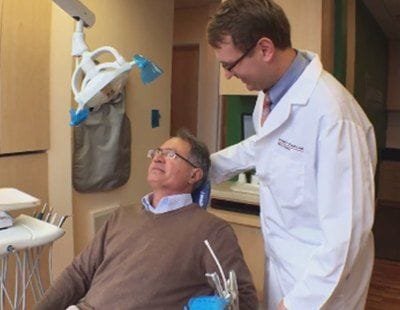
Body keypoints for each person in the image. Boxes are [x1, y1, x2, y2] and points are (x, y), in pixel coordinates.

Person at [207, 1, 377, 309]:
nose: (229, 75)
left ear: (265, 48)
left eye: (230, 65)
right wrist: (206, 167)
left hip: (322, 282)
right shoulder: (270, 96)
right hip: (284, 261)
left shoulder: (332, 115)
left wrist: (299, 302)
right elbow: (261, 145)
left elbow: (347, 232)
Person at [35, 129, 258, 310]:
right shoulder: (122, 216)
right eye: (156, 152)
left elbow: (242, 298)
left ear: (194, 175)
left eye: (171, 155)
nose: (158, 158)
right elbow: (78, 274)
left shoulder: (210, 231)